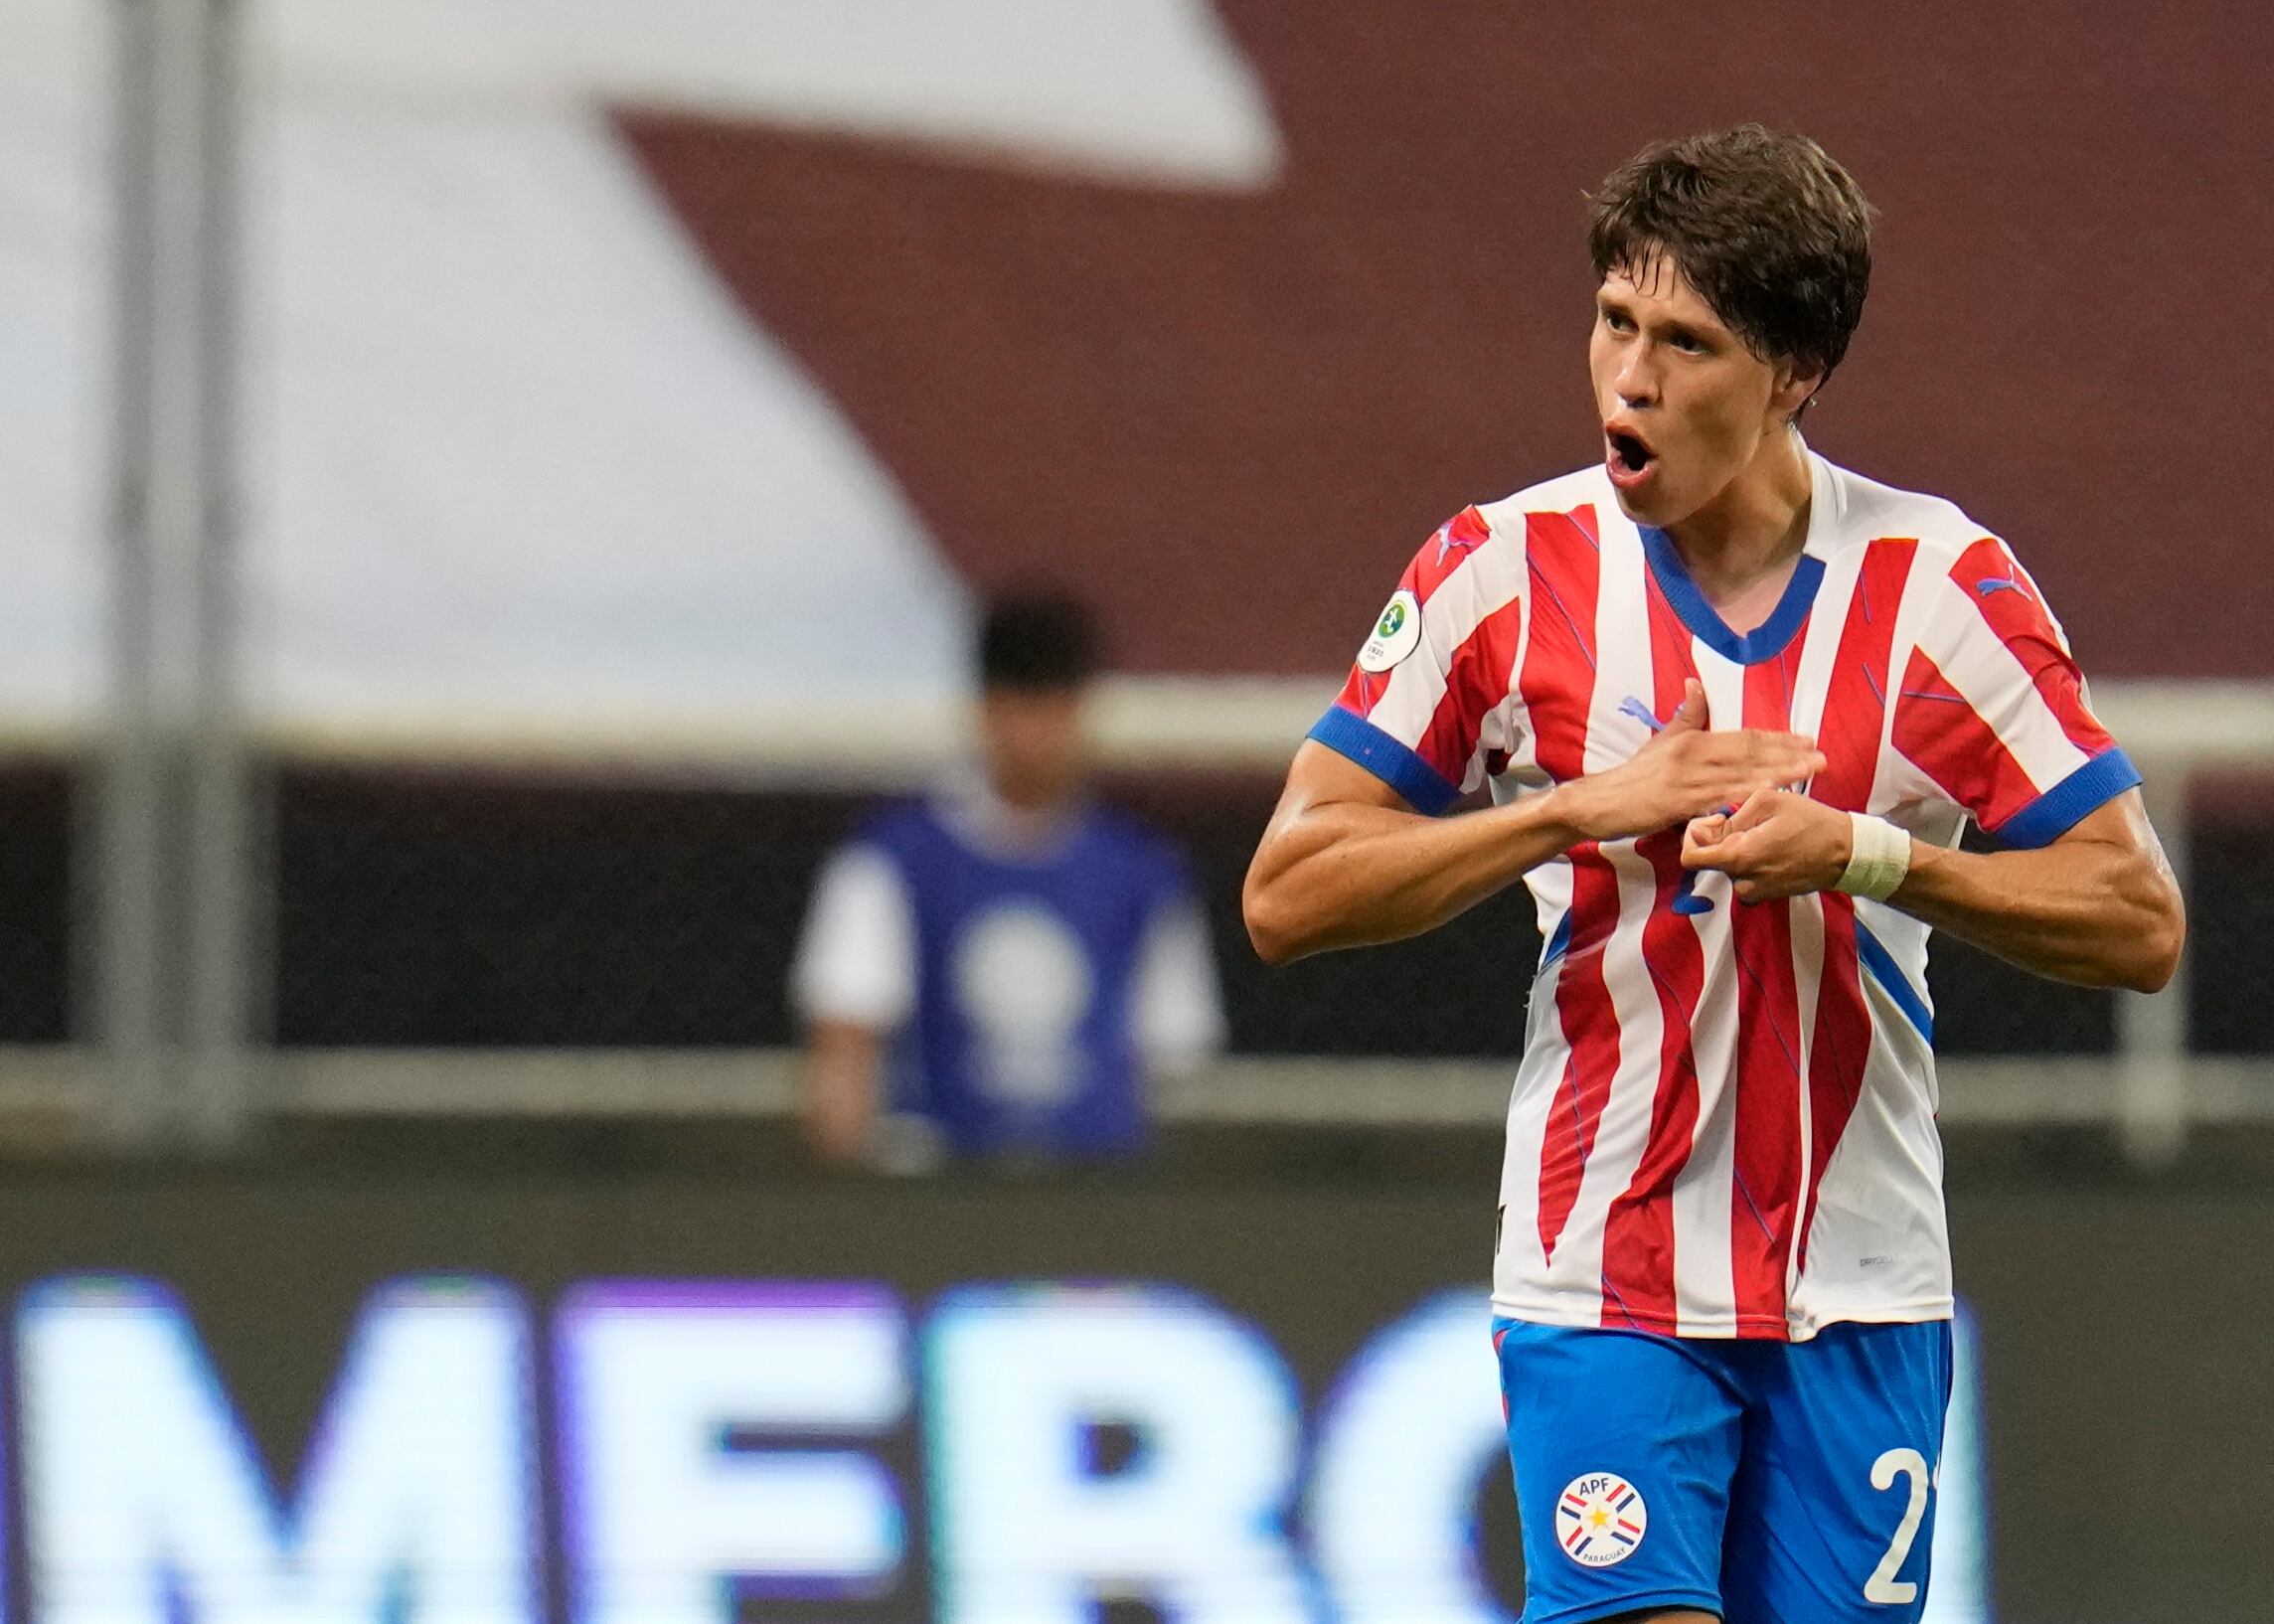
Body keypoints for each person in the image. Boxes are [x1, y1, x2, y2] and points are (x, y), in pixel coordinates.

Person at [1243, 125, 2184, 1624]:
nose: (1632, 376)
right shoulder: (1501, 570)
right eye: (1616, 321)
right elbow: (1290, 887)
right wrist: (1573, 811)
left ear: (1795, 373)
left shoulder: (1941, 589)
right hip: (1604, 1268)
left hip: (1859, 1280)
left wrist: (1872, 855)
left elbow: (2138, 918)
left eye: (1686, 342)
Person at [795, 590, 1224, 1170]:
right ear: (985, 708)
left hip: (1095, 1194)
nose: (1039, 734)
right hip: (939, 1188)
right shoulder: (890, 862)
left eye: (1058, 708)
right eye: (1023, 706)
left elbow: (1170, 1061)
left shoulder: (1143, 873)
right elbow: (844, 1048)